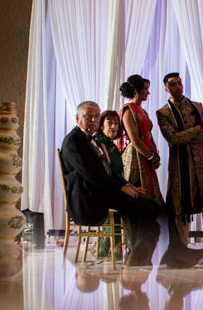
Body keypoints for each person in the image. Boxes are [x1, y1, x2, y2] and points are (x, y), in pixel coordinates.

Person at [60, 101, 164, 265]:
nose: (93, 119)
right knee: (147, 207)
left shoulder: (88, 140)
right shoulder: (74, 140)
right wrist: (122, 188)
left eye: (96, 116)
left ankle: (142, 255)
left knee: (152, 206)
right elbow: (92, 174)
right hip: (88, 201)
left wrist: (129, 186)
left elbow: (107, 172)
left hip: (100, 194)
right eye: (88, 116)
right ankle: (140, 257)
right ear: (77, 117)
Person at [156, 72, 203, 248]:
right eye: (173, 84)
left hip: (201, 160)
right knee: (180, 205)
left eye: (179, 83)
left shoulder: (197, 107)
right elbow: (173, 139)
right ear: (166, 88)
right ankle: (182, 247)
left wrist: (185, 134)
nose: (177, 87)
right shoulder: (163, 113)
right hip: (179, 164)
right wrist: (195, 129)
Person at [119, 75, 163, 203]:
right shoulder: (128, 110)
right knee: (140, 194)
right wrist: (150, 156)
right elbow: (135, 139)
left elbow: (149, 134)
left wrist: (155, 153)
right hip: (136, 157)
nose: (148, 92)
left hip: (146, 155)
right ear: (136, 91)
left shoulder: (142, 111)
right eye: (145, 89)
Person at [95, 110, 124, 178]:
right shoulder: (99, 144)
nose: (113, 126)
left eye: (116, 123)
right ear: (101, 126)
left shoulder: (114, 146)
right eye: (109, 123)